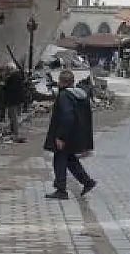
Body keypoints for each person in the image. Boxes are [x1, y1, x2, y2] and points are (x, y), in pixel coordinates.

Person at [44, 70, 96, 199]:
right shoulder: (81, 95)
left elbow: (67, 117)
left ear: (61, 82)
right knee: (70, 160)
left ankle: (61, 190)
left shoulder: (64, 97)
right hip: (77, 134)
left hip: (66, 135)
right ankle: (87, 182)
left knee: (60, 159)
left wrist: (61, 136)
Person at [2, 62, 27, 142]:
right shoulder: (18, 76)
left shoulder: (13, 77)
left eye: (7, 70)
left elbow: (10, 89)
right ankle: (13, 131)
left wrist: (5, 85)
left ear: (10, 70)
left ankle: (15, 133)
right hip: (18, 99)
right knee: (13, 116)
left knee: (13, 116)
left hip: (13, 100)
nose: (6, 72)